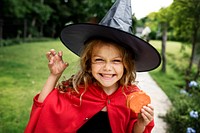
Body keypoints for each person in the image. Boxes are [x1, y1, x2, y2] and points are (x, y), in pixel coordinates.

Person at [24, 0, 161, 132]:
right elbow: (44, 109)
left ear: (127, 66)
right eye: (100, 60)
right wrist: (54, 76)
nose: (107, 68)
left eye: (116, 61)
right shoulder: (78, 91)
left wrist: (141, 124)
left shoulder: (131, 96)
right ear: (89, 64)